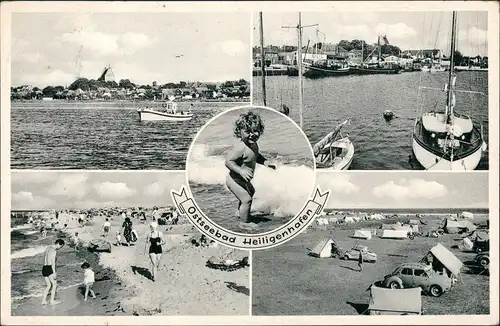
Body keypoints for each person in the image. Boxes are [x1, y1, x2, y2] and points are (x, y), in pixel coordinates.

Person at [225, 111, 276, 228]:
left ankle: (241, 213)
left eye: (255, 131)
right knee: (246, 199)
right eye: (247, 132)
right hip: (234, 179)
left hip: (243, 180)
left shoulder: (253, 145)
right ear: (239, 132)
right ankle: (244, 223)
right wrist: (241, 171)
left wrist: (265, 162)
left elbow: (255, 155)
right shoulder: (240, 148)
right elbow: (228, 161)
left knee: (250, 193)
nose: (252, 135)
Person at [41, 239, 65, 305]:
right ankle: (52, 301)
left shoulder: (48, 248)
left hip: (44, 268)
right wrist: (54, 272)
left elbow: (45, 258)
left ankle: (43, 301)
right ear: (59, 244)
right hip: (49, 268)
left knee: (48, 285)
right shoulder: (54, 251)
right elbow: (53, 263)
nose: (60, 248)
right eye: (61, 247)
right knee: (54, 284)